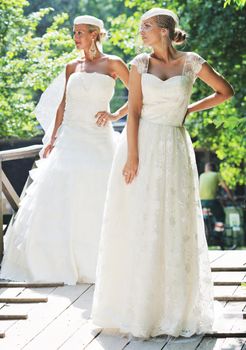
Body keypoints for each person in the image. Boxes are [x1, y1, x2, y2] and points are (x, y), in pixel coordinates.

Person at [91, 8, 234, 338]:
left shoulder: (191, 62)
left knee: (173, 220)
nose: (141, 31)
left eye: (147, 26)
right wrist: (132, 158)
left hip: (174, 144)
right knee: (138, 220)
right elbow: (135, 113)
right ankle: (137, 308)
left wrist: (188, 109)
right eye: (141, 26)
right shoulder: (140, 64)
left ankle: (173, 309)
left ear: (166, 32)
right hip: (141, 145)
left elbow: (225, 92)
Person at [0, 15, 129, 285]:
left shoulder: (113, 63)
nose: (75, 37)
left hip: (99, 138)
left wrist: (116, 114)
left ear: (95, 34)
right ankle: (53, 262)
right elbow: (62, 104)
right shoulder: (72, 66)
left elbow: (140, 95)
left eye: (80, 32)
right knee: (61, 190)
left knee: (99, 190)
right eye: (74, 32)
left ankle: (101, 262)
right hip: (70, 136)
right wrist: (52, 138)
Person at [200, 162, 233, 236]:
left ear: (206, 168)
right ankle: (217, 235)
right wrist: (231, 197)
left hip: (201, 202)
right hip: (211, 201)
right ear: (214, 168)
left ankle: (207, 231)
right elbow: (225, 187)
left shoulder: (201, 175)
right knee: (221, 217)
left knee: (206, 216)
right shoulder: (216, 174)